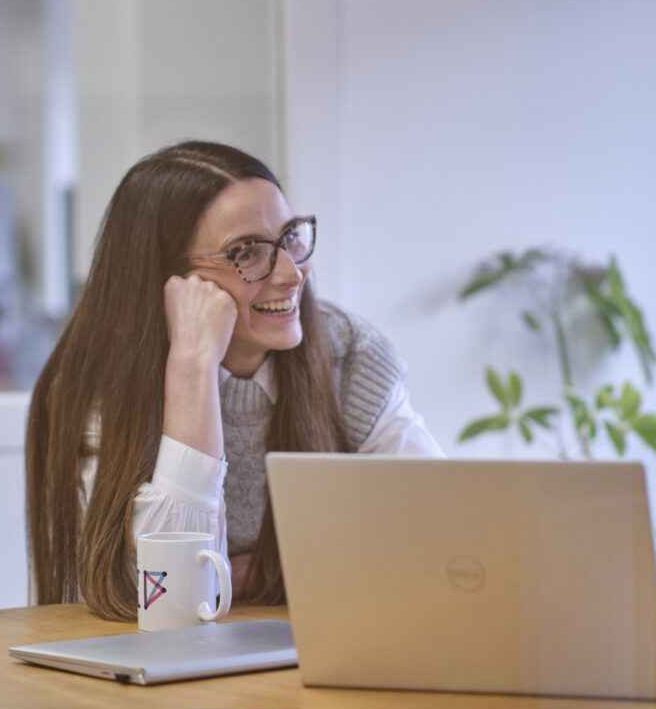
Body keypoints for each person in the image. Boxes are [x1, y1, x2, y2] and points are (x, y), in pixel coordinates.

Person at [26, 140, 441, 621]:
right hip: (144, 675)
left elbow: (440, 532)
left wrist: (263, 573)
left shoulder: (348, 355)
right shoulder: (97, 382)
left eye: (291, 237)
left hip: (307, 650)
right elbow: (171, 600)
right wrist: (192, 366)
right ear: (172, 281)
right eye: (246, 252)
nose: (290, 273)